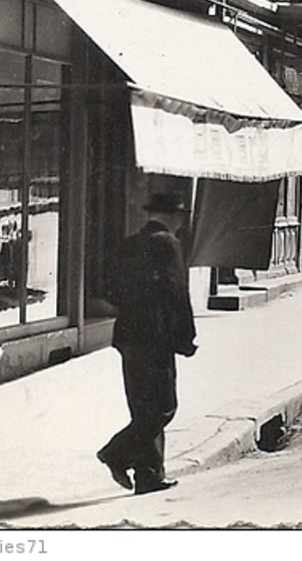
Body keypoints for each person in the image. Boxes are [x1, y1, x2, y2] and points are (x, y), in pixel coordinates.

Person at [98, 191, 197, 496]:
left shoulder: (129, 244)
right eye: (180, 216)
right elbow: (177, 293)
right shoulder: (169, 245)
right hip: (157, 338)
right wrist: (186, 335)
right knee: (164, 407)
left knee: (142, 407)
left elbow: (109, 290)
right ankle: (115, 453)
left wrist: (132, 308)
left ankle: (149, 475)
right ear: (172, 217)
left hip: (128, 335)